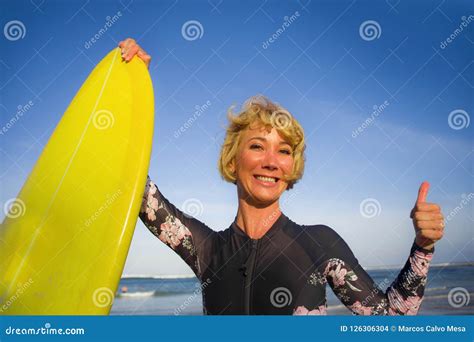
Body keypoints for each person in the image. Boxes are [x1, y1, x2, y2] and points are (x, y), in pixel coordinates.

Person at [118, 38, 446, 315]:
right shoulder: (207, 250)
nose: (272, 162)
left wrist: (423, 247)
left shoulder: (319, 244)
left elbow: (388, 322)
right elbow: (132, 184)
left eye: (285, 151)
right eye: (258, 146)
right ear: (232, 163)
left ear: (291, 172)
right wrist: (131, 87)